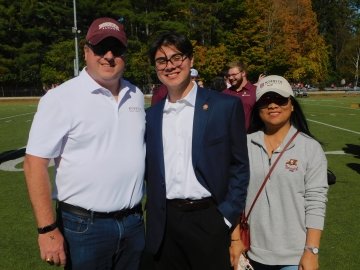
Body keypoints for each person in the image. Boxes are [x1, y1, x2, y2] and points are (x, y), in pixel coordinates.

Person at [23, 17, 146, 270]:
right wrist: (47, 229)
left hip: (133, 222)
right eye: (101, 48)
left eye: (117, 49)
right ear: (87, 51)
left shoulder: (135, 94)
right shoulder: (61, 98)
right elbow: (34, 164)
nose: (109, 56)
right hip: (84, 228)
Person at [145, 31, 250, 270]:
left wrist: (225, 216)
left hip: (209, 219)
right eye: (162, 61)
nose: (169, 66)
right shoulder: (151, 116)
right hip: (165, 223)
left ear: (190, 60)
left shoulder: (224, 106)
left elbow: (240, 166)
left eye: (176, 57)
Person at [230, 75, 329, 270]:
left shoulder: (311, 148)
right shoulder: (244, 145)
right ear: (258, 109)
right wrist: (235, 240)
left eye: (280, 99)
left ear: (292, 105)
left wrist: (311, 251)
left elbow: (316, 201)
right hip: (251, 253)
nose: (273, 105)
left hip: (295, 256)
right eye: (266, 100)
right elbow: (233, 195)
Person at [222, 61, 256, 131]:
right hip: (229, 138)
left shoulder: (255, 91)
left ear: (243, 73)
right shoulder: (224, 94)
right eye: (229, 75)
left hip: (250, 136)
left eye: (234, 75)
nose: (231, 78)